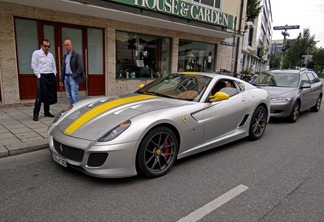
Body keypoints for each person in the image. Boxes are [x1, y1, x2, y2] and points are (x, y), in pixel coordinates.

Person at [31, 39, 57, 121]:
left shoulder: (50, 55)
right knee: (39, 96)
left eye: (48, 46)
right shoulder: (36, 53)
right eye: (45, 46)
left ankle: (47, 112)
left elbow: (54, 66)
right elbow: (34, 65)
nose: (47, 48)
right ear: (41, 46)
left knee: (48, 95)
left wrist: (54, 74)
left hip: (50, 76)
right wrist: (39, 75)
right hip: (42, 76)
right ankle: (36, 114)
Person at [59, 39, 84, 110]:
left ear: (71, 45)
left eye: (68, 45)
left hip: (72, 77)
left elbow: (81, 67)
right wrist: (61, 79)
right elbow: (63, 68)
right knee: (69, 95)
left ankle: (78, 109)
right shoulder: (65, 56)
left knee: (74, 95)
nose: (66, 47)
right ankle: (72, 108)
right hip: (66, 77)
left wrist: (73, 76)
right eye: (65, 45)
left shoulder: (77, 55)